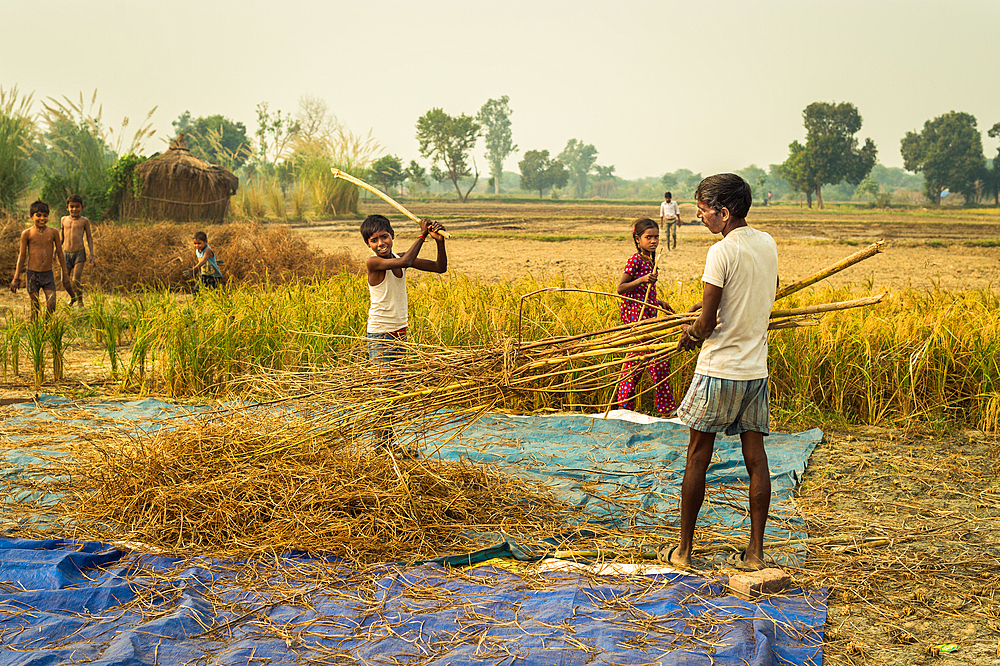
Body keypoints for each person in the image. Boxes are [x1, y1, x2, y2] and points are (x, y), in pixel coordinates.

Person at [657, 173, 779, 572]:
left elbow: (707, 324)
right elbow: (755, 296)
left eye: (704, 210)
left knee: (697, 457)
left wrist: (690, 333)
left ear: (724, 213)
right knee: (756, 460)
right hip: (754, 369)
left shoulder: (721, 251)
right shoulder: (768, 244)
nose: (698, 216)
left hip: (720, 368)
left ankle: (684, 552)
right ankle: (755, 553)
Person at [362, 214, 447, 366]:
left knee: (399, 383)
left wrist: (440, 242)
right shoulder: (373, 262)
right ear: (368, 244)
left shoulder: (399, 258)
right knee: (385, 386)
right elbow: (406, 261)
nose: (381, 243)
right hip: (380, 335)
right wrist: (422, 234)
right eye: (374, 240)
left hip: (400, 332)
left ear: (392, 235)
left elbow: (440, 267)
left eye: (384, 236)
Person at [615, 218, 676, 415]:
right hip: (637, 320)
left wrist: (658, 302)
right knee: (658, 360)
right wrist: (641, 278)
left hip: (649, 315)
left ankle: (625, 406)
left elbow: (644, 292)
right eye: (648, 237)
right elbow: (621, 288)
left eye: (656, 237)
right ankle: (664, 409)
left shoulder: (652, 261)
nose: (653, 241)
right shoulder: (635, 260)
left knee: (637, 361)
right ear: (637, 239)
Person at [10, 200, 75, 320]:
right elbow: (22, 256)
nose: (42, 218)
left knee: (52, 303)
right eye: (38, 215)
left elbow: (60, 254)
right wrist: (16, 277)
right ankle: (35, 334)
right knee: (35, 307)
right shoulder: (27, 233)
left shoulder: (53, 232)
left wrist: (65, 274)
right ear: (31, 216)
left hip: (47, 275)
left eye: (45, 215)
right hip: (32, 274)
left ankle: (45, 327)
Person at [60, 194, 95, 308]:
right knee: (64, 281)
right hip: (66, 253)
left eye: (77, 206)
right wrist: (56, 250)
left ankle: (80, 302)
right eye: (72, 207)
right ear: (67, 207)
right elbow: (61, 238)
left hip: (79, 253)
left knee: (76, 280)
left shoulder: (84, 221)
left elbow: (89, 237)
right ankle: (73, 297)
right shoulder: (63, 220)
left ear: (82, 207)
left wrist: (92, 255)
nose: (74, 209)